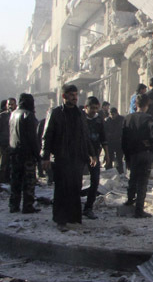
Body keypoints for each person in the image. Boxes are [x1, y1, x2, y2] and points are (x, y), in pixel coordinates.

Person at [41, 84, 96, 232]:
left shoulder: (80, 114)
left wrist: (91, 153)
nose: (75, 98)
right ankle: (60, 219)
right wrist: (45, 156)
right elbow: (47, 136)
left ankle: (73, 218)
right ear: (64, 96)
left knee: (75, 188)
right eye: (72, 95)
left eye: (76, 95)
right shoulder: (56, 113)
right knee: (61, 189)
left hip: (77, 158)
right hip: (62, 157)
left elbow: (86, 135)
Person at [122, 93, 153, 218]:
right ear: (146, 105)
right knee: (143, 181)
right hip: (145, 152)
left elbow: (123, 139)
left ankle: (129, 202)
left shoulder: (128, 118)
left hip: (132, 153)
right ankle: (139, 209)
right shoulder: (148, 118)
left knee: (133, 178)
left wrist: (126, 156)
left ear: (136, 104)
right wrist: (150, 141)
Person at [8, 93, 41, 214]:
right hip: (27, 154)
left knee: (15, 180)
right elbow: (33, 138)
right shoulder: (28, 115)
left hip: (14, 152)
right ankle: (28, 206)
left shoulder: (13, 115)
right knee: (29, 181)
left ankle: (14, 205)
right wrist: (38, 156)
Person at [81, 96, 108, 219]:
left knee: (95, 180)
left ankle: (88, 208)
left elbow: (103, 137)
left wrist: (107, 155)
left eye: (96, 108)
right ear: (86, 107)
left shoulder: (99, 120)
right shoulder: (79, 119)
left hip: (95, 155)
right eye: (92, 108)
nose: (94, 111)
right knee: (76, 181)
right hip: (80, 153)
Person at [0, 97, 16, 183]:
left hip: (14, 144)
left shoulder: (17, 115)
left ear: (15, 105)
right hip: (3, 143)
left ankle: (9, 180)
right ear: (6, 105)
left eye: (12, 104)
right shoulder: (2, 116)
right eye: (9, 104)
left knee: (12, 163)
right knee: (2, 163)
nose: (10, 106)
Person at [104, 107, 125, 174]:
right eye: (111, 114)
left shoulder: (121, 119)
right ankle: (108, 171)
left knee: (119, 158)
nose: (112, 116)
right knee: (109, 157)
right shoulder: (107, 120)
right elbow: (105, 131)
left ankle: (120, 172)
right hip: (110, 142)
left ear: (116, 113)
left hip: (119, 141)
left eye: (113, 114)